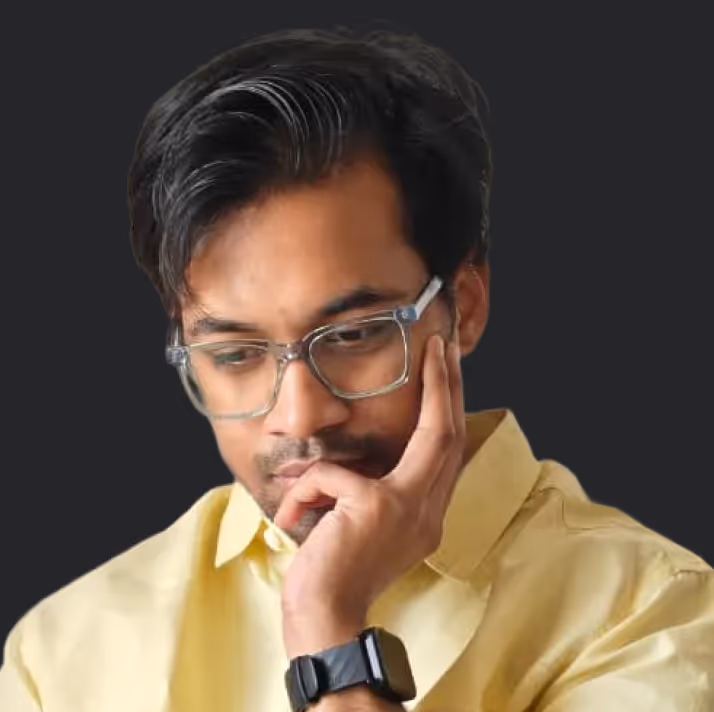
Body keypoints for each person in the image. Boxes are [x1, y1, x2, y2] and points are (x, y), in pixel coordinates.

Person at [1, 26, 712, 712]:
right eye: (236, 355)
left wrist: (329, 629)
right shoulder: (63, 653)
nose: (300, 415)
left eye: (354, 334)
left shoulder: (654, 612)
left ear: (463, 307)